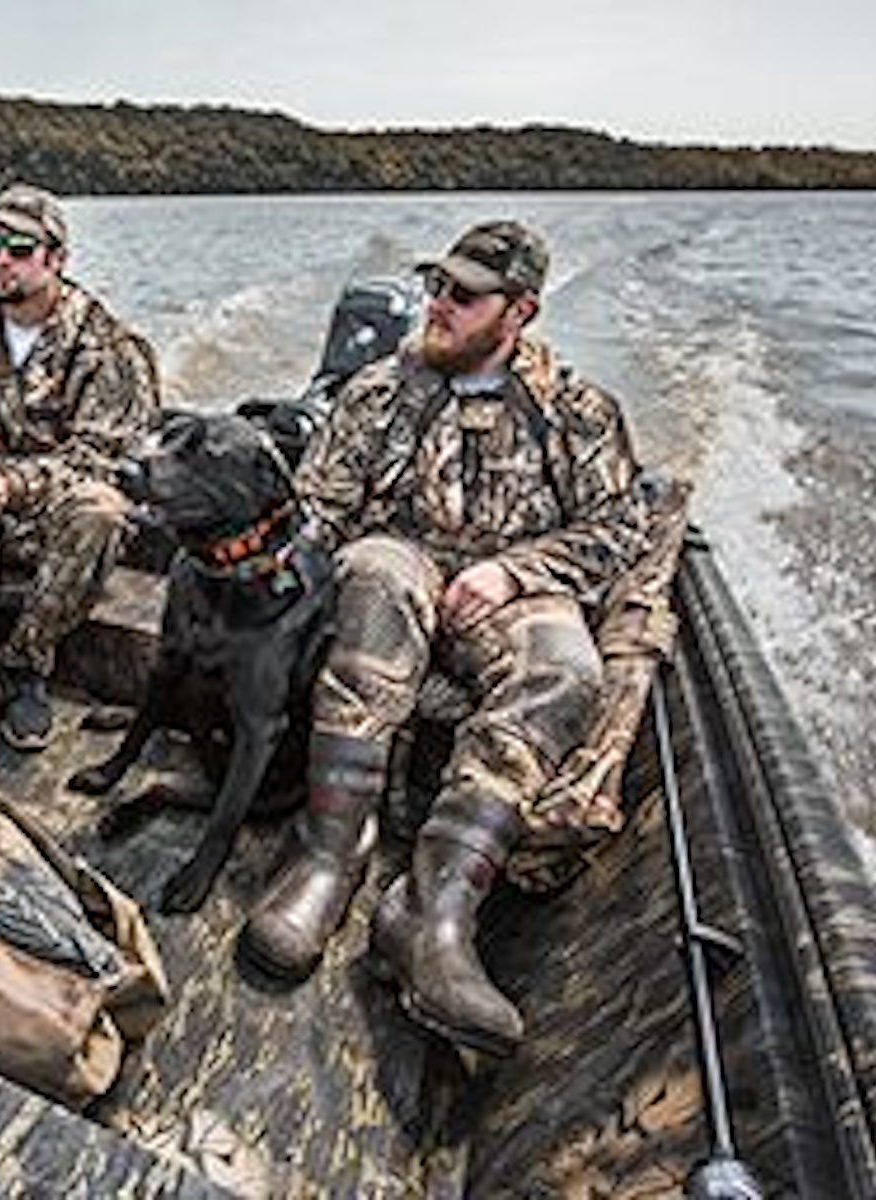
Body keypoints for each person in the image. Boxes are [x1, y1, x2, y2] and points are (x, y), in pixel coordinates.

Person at [240, 221, 652, 1056]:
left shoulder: (576, 411)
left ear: (520, 311)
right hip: (400, 559)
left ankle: (433, 909)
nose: (439, 305)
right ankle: (330, 852)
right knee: (375, 577)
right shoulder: (375, 392)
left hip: (513, 586)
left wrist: (514, 573)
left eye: (464, 296)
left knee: (567, 668)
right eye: (436, 286)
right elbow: (322, 509)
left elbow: (619, 528)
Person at [0, 184, 161, 751]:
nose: (1, 260)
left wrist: (16, 484)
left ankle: (24, 664)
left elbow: (100, 460)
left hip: (55, 512)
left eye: (20, 249)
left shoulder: (110, 348)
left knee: (101, 511)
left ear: (56, 259)